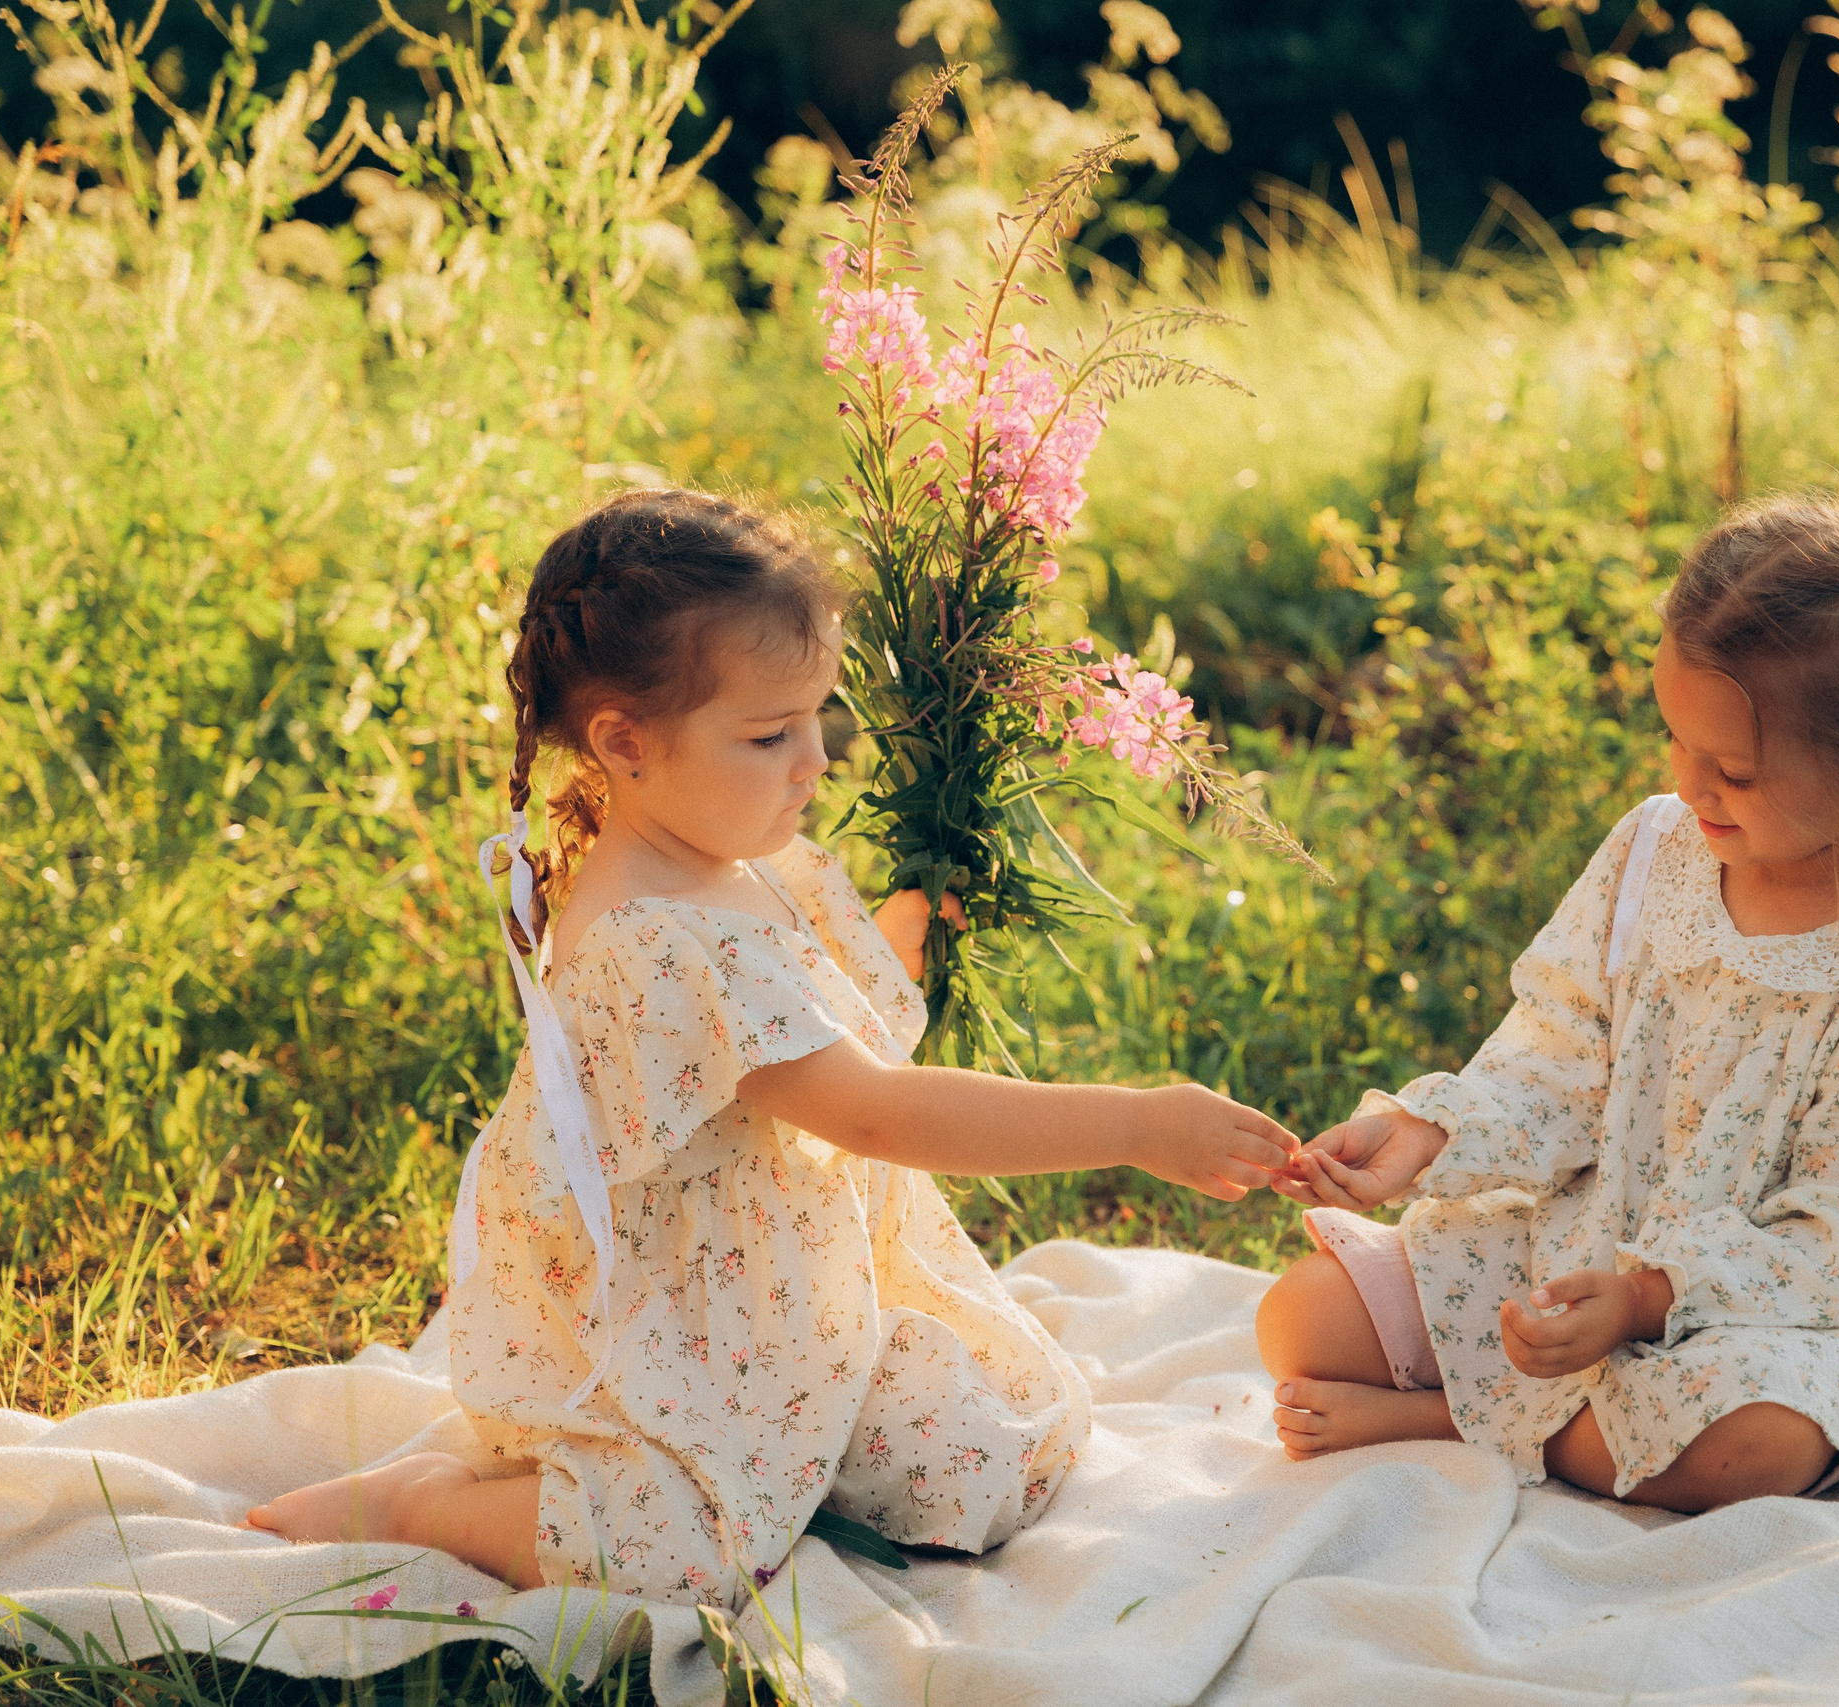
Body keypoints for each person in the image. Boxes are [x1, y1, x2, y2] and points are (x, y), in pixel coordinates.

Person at [249, 488, 1298, 1602]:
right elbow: (877, 1111)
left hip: (792, 1285)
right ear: (624, 742)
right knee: (686, 1557)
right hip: (685, 1313)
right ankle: (432, 1501)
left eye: (816, 721)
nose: (813, 762)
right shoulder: (651, 936)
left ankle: (780, 1453)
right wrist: (1133, 1123)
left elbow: (809, 1013)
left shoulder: (730, 853)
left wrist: (904, 927)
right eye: (768, 735)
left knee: (994, 1452)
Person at [1258, 491, 1839, 1512]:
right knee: (1300, 1322)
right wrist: (1429, 1134)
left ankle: (1463, 1421)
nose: (1689, 787)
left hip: (1768, 1311)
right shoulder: (1657, 852)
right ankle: (1554, 1413)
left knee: (1753, 1448)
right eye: (1676, 742)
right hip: (1587, 1240)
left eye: (1731, 770)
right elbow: (1559, 1047)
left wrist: (1652, 1299)